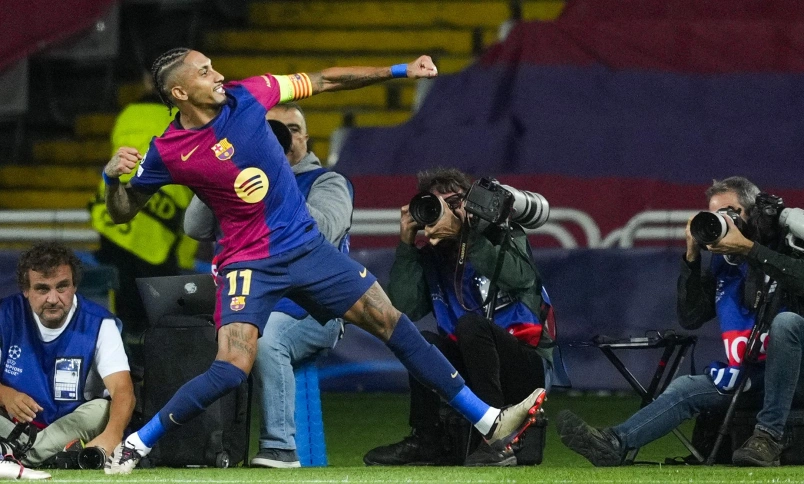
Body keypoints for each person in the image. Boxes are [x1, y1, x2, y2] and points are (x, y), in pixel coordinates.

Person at [101, 48, 545, 474]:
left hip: (308, 250)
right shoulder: (169, 151)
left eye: (213, 66)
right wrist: (110, 179)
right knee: (231, 367)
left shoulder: (250, 94)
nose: (217, 75)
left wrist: (399, 70)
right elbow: (123, 209)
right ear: (179, 93)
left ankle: (487, 420)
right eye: (203, 72)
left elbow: (326, 79)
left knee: (390, 320)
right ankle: (135, 445)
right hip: (248, 265)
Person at [556, 176, 804, 467]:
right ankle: (613, 444)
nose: (723, 220)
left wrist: (749, 249)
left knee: (787, 323)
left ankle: (768, 437)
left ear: (752, 213)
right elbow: (691, 317)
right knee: (687, 387)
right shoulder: (726, 261)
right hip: (769, 375)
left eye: (730, 212)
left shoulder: (794, 236)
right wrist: (691, 257)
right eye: (714, 215)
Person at [183, 102, 351, 468]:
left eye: (292, 129)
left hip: (313, 310)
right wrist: (220, 171)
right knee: (189, 334)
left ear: (305, 138)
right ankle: (199, 449)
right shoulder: (241, 180)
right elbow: (194, 227)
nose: (283, 137)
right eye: (272, 130)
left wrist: (275, 176)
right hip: (248, 302)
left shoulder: (327, 181)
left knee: (267, 336)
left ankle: (280, 448)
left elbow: (322, 230)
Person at [363, 168, 554, 467]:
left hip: (523, 364)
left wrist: (471, 239)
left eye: (452, 203)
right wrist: (407, 244)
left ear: (469, 205)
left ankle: (495, 441)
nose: (442, 214)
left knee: (470, 326)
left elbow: (521, 279)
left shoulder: (501, 235)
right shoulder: (432, 256)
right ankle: (427, 440)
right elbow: (404, 307)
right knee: (421, 341)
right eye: (434, 206)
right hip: (471, 363)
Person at [0, 242, 134, 474]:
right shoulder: (5, 316)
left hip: (69, 426)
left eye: (62, 287)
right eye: (42, 289)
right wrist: (5, 394)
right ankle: (34, 455)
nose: (53, 299)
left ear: (74, 286)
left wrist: (112, 435)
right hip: (12, 425)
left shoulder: (100, 324)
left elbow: (124, 392)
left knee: (102, 409)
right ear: (25, 290)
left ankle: (12, 456)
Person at [89, 69, 198, 335]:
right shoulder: (189, 119)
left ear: (148, 81)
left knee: (124, 305)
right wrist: (186, 254)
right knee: (162, 311)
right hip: (160, 221)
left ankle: (125, 361)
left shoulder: (127, 114)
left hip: (115, 217)